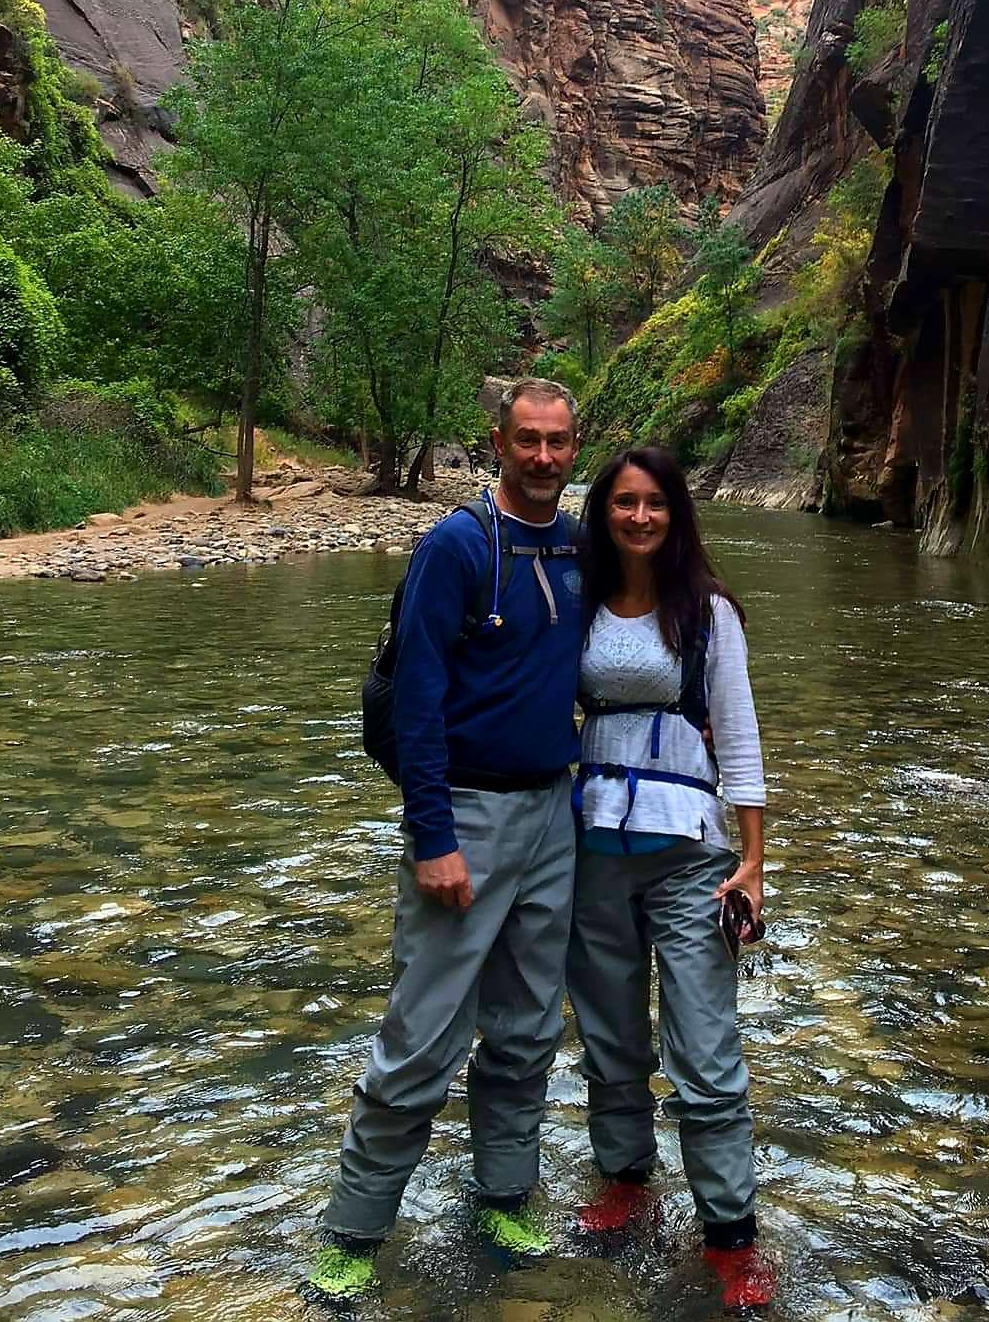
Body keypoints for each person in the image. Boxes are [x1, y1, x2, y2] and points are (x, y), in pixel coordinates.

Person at [309, 380, 586, 1299]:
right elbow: (418, 701)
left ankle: (504, 1193)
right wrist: (432, 835)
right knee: (422, 1038)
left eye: (558, 442)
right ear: (497, 443)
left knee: (524, 1027)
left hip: (555, 815)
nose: (543, 458)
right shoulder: (456, 547)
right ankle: (352, 1231)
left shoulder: (583, 546)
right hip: (464, 815)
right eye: (527, 441)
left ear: (574, 447)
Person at [566, 443, 777, 1311]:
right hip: (589, 852)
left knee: (705, 1050)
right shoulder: (575, 604)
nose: (640, 516)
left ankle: (729, 1234)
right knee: (613, 1039)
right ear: (604, 512)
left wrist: (754, 862)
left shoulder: (708, 614)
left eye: (654, 502)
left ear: (675, 513)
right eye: (624, 502)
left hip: (692, 855)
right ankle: (627, 1182)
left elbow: (740, 737)